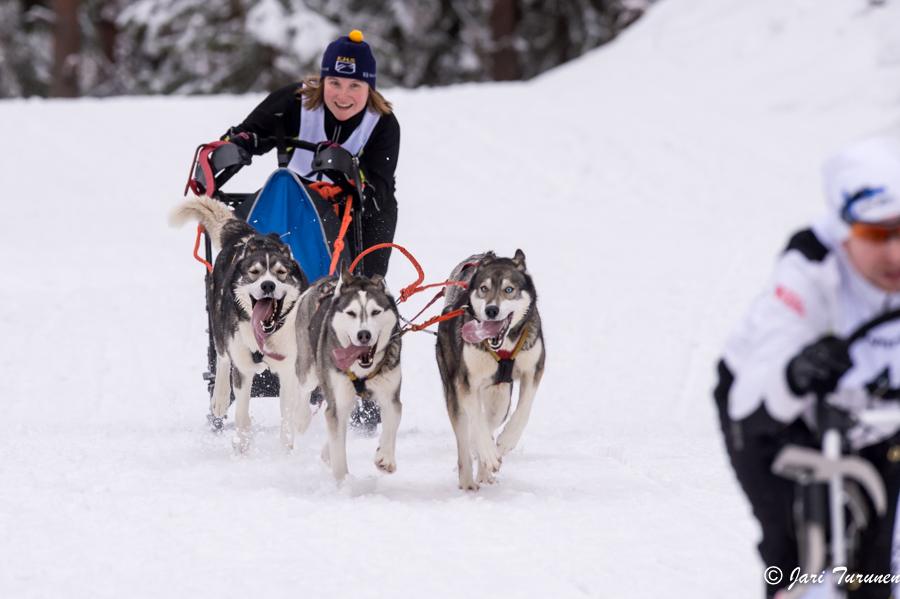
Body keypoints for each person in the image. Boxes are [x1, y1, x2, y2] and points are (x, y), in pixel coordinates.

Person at [715, 138, 900, 599]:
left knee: (879, 569)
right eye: (876, 236)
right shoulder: (810, 268)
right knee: (799, 560)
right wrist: (800, 371)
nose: (895, 255)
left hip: (878, 411)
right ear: (843, 233)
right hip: (780, 417)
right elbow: (752, 402)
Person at [222, 30, 399, 279]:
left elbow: (378, 192)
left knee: (362, 288)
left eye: (354, 86)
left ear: (369, 88)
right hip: (300, 205)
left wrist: (348, 172)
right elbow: (248, 135)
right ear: (323, 80)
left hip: (359, 215)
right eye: (334, 83)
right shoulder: (295, 103)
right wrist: (229, 150)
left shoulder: (381, 124)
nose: (342, 95)